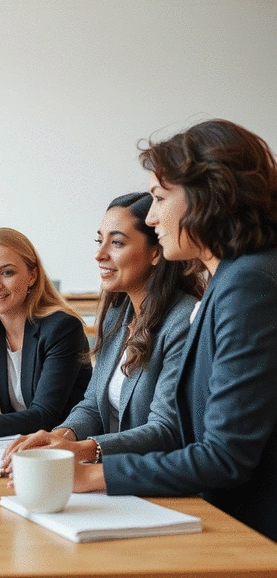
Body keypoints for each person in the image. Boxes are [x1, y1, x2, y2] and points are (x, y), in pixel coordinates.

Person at [74, 119, 277, 542]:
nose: (152, 216)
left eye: (160, 197)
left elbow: (224, 456)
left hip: (246, 534)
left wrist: (93, 475)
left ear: (208, 196)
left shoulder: (247, 283)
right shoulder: (230, 279)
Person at [1, 192, 205, 466]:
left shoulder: (183, 320)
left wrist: (87, 449)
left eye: (117, 242)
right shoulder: (117, 315)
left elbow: (166, 429)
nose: (99, 254)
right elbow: (92, 406)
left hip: (154, 478)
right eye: (100, 241)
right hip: (111, 472)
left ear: (156, 252)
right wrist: (58, 437)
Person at [0, 228, 92, 437]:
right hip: (18, 446)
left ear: (32, 276)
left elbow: (46, 415)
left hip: (65, 448)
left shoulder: (62, 328)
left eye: (7, 272)